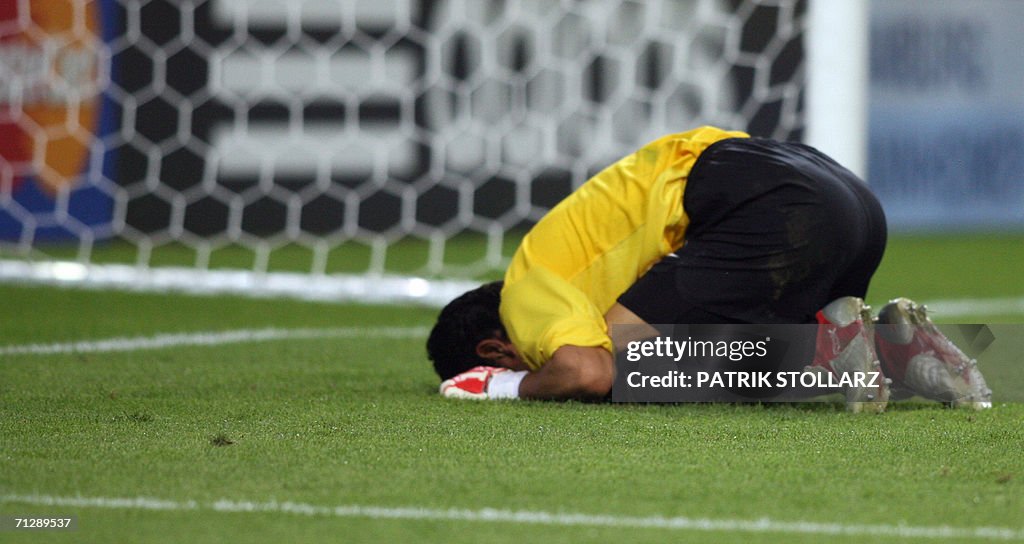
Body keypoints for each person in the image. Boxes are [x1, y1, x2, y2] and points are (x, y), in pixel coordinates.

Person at [426, 126, 991, 411]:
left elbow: (582, 373)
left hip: (772, 203)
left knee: (637, 364)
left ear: (492, 350)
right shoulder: (574, 263)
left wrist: (509, 386)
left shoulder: (525, 290)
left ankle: (838, 356)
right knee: (712, 353)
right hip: (848, 199)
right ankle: (893, 353)